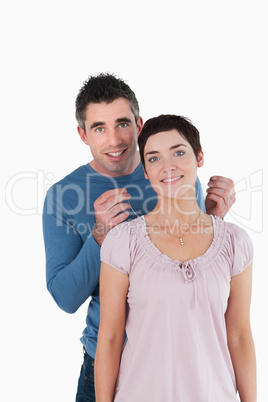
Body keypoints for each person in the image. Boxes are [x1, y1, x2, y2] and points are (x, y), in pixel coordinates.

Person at [42, 74, 236, 402]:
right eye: (99, 128)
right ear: (82, 134)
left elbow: (192, 270)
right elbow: (65, 298)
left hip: (179, 356)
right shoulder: (63, 196)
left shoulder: (173, 173)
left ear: (139, 123)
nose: (115, 140)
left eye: (122, 124)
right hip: (107, 360)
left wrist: (213, 222)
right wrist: (100, 236)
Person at [95, 114, 256, 402]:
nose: (167, 166)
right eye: (154, 158)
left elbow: (240, 336)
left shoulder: (235, 242)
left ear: (200, 157)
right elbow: (109, 339)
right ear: (145, 171)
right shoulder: (122, 243)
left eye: (179, 152)